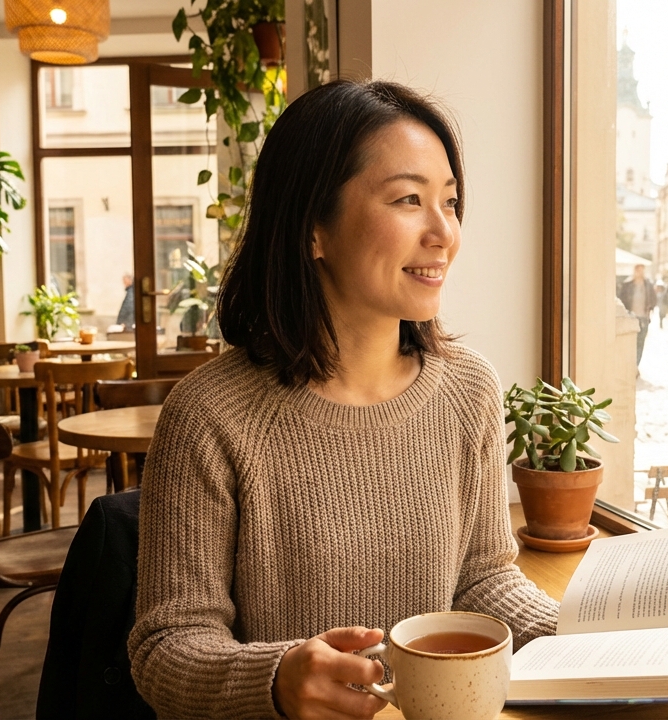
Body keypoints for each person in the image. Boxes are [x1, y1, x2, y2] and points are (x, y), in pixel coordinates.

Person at [127, 81, 558, 720]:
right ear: (312, 229)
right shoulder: (210, 415)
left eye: (452, 201)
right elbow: (166, 648)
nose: (445, 233)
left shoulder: (469, 391)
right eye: (409, 199)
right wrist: (275, 679)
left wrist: (588, 632)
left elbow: (483, 581)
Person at [616, 264, 656, 366]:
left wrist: (650, 307)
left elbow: (653, 299)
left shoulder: (648, 285)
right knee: (630, 343)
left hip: (644, 317)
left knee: (640, 342)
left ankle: (635, 366)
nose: (640, 273)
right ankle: (630, 365)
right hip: (631, 317)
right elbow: (621, 300)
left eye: (642, 270)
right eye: (638, 270)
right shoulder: (628, 284)